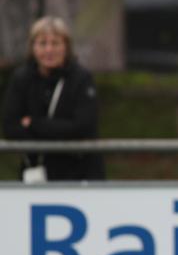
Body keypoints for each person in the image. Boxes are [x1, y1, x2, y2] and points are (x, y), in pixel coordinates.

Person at [2, 16, 105, 181]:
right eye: (42, 43)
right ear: (33, 47)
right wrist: (59, 129)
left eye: (55, 43)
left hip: (79, 174)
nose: (49, 50)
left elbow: (82, 127)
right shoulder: (22, 78)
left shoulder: (81, 78)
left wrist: (34, 124)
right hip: (36, 173)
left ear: (66, 47)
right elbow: (10, 128)